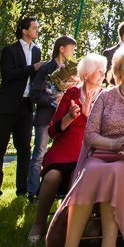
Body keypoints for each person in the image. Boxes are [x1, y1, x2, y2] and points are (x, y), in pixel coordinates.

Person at [57, 41, 124, 247]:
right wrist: (113, 144)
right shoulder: (105, 97)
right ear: (118, 70)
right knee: (92, 171)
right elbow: (90, 135)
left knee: (113, 174)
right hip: (103, 154)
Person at [29, 53, 106, 245]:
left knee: (77, 178)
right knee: (51, 176)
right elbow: (53, 131)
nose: (104, 76)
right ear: (87, 73)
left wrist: (89, 114)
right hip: (64, 150)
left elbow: (107, 130)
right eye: (100, 72)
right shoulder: (71, 94)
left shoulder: (106, 96)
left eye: (104, 72)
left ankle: (69, 228)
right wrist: (69, 117)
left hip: (89, 152)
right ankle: (38, 224)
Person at [0, 16, 42, 199]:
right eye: (34, 28)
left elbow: (35, 77)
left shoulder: (37, 51)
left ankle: (22, 190)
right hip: (6, 107)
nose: (37, 30)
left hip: (26, 107)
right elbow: (8, 75)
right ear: (24, 30)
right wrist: (32, 68)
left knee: (25, 150)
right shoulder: (9, 50)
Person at [30, 35, 78, 200]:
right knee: (39, 153)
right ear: (62, 49)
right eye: (71, 49)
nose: (73, 52)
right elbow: (34, 93)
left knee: (58, 154)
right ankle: (34, 192)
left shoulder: (71, 70)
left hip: (64, 120)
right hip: (46, 116)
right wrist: (52, 101)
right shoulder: (46, 68)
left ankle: (56, 191)